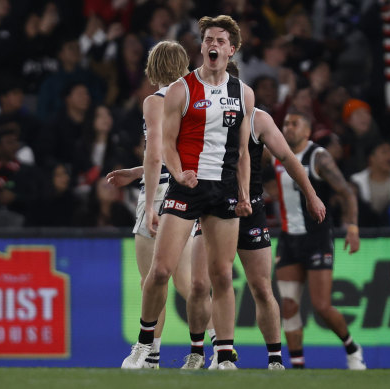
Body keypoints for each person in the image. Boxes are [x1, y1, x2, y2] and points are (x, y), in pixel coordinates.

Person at [120, 15, 254, 371]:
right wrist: (179, 174)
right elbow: (165, 145)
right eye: (208, 39)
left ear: (232, 48)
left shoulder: (242, 93)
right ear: (201, 46)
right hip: (182, 187)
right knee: (164, 273)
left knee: (215, 277)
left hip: (219, 190)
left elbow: (242, 152)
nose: (213, 45)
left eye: (220, 40)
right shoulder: (182, 89)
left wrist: (243, 193)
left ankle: (219, 354)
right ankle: (147, 346)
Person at [183, 100, 326, 369]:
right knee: (200, 285)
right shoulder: (202, 113)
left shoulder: (256, 118)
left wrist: (311, 194)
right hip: (212, 209)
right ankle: (199, 353)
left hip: (250, 211)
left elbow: (286, 156)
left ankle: (275, 360)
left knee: (261, 287)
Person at [107, 40, 196, 368]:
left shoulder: (155, 101)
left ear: (154, 66)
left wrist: (149, 203)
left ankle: (147, 353)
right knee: (188, 282)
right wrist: (135, 172)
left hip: (160, 194)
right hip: (191, 192)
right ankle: (221, 346)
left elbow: (156, 152)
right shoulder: (193, 101)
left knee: (151, 281)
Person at [271, 110, 366, 370]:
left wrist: (353, 228)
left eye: (294, 123)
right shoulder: (275, 152)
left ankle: (352, 348)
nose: (288, 127)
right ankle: (299, 369)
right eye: (286, 123)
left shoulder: (318, 157)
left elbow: (347, 193)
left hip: (317, 237)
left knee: (322, 306)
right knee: (289, 306)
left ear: (307, 131)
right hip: (289, 238)